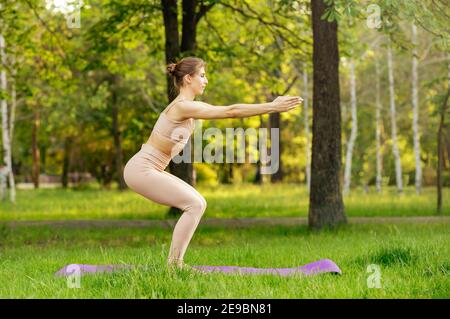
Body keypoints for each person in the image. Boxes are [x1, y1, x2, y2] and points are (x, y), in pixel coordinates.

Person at [123, 56, 302, 270]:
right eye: (202, 75)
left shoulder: (187, 107)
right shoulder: (182, 107)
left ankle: (175, 264)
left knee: (197, 203)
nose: (206, 80)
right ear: (188, 78)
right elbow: (230, 111)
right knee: (195, 204)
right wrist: (272, 106)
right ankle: (174, 265)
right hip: (141, 169)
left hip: (147, 168)